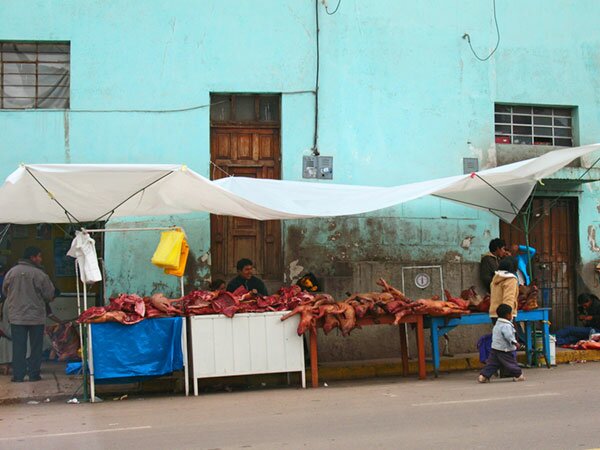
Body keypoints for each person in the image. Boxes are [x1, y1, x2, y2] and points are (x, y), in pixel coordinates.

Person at [2, 247, 56, 382]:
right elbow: (49, 294)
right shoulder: (40, 274)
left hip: (16, 317)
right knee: (35, 347)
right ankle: (34, 374)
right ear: (32, 258)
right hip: (35, 317)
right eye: (39, 256)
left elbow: (5, 292)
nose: (40, 259)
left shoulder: (11, 272)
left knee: (18, 346)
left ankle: (18, 376)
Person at [478, 303, 525, 383]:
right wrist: (515, 342)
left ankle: (484, 376)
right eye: (511, 313)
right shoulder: (506, 325)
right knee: (510, 363)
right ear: (507, 315)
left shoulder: (498, 324)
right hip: (504, 349)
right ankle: (518, 375)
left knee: (492, 364)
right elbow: (508, 335)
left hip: (495, 348)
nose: (512, 315)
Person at [489, 256, 519, 322]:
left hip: (494, 314)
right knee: (514, 332)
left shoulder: (496, 278)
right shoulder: (511, 279)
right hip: (506, 315)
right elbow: (509, 298)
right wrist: (508, 315)